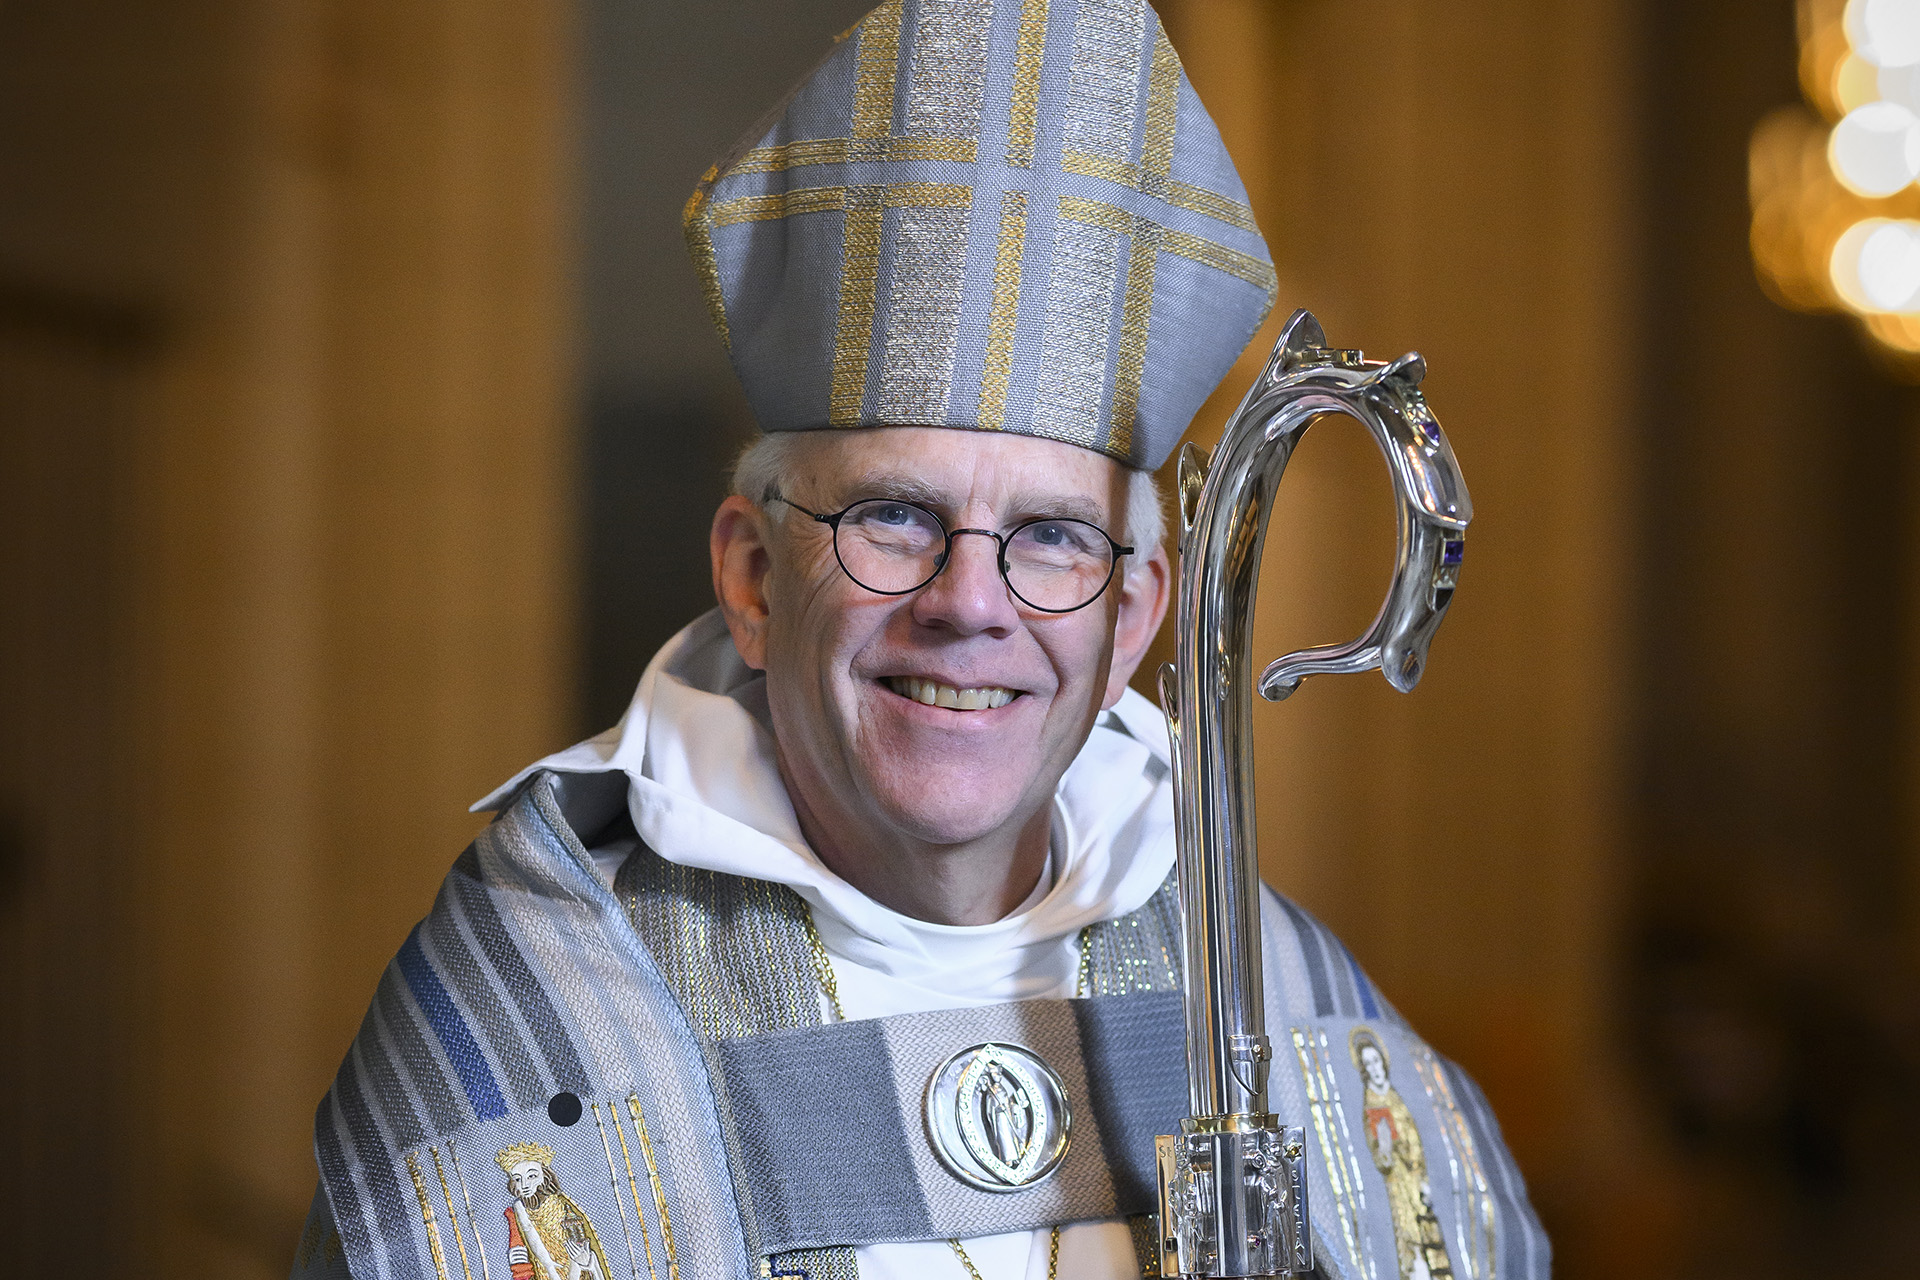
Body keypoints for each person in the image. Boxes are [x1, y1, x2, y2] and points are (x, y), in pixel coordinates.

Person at [291, 4, 1549, 1280]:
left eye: (1054, 536)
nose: (971, 600)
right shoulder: (536, 1018)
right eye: (895, 516)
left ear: (1135, 618)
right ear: (752, 576)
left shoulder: (1267, 989)